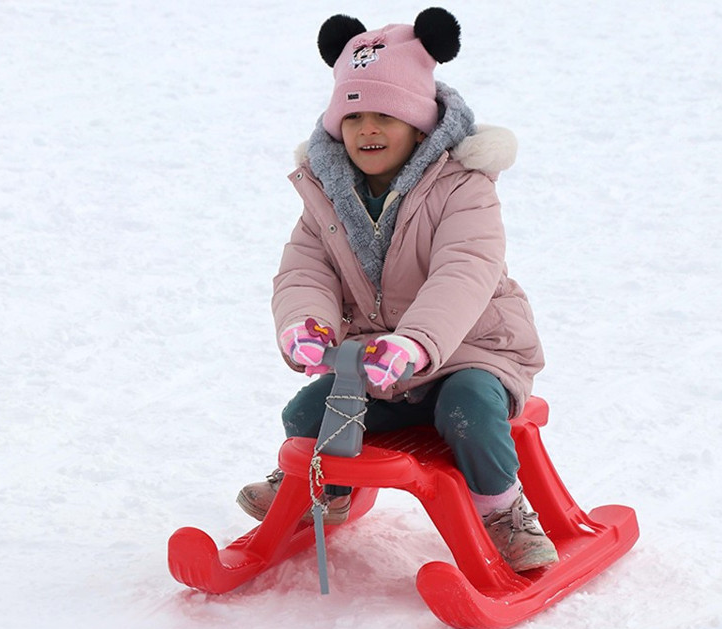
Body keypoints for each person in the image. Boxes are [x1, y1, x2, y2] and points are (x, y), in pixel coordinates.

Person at [236, 8, 557, 571]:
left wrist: (415, 342)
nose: (368, 130)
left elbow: (465, 272)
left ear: (420, 125)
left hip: (470, 351)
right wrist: (307, 325)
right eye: (354, 116)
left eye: (386, 115)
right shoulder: (329, 194)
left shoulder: (463, 187)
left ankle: (503, 511)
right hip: (379, 364)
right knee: (305, 415)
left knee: (468, 410)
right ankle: (326, 487)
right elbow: (306, 268)